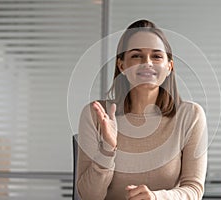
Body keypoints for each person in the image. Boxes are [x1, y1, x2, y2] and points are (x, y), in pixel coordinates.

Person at [76, 19, 208, 200]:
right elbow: (89, 196)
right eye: (136, 56)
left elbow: (194, 190)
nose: (147, 63)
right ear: (122, 66)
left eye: (156, 56)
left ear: (169, 66)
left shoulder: (190, 115)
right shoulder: (96, 114)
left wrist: (154, 198)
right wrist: (107, 148)